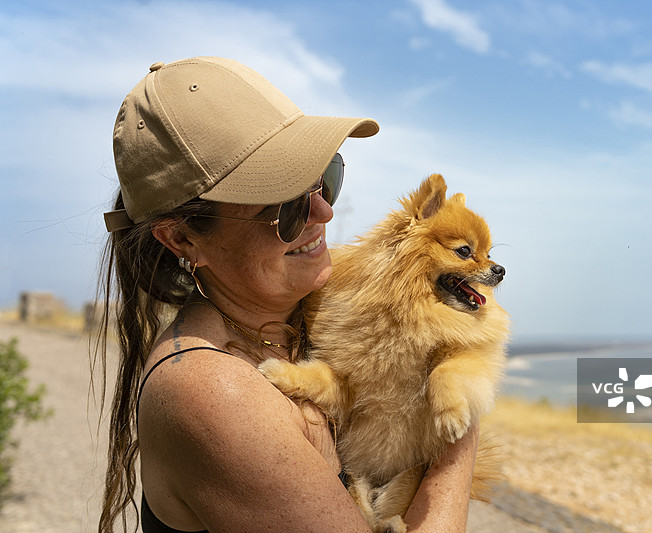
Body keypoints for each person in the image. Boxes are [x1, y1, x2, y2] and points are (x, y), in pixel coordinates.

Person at [94, 56, 480, 533]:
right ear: (183, 239)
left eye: (325, 180)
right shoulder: (215, 391)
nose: (323, 213)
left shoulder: (315, 313)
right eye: (286, 205)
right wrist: (460, 430)